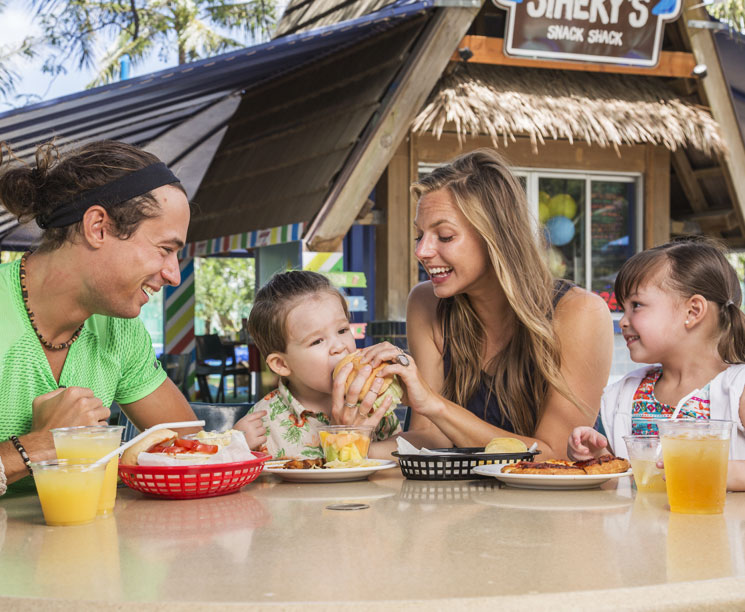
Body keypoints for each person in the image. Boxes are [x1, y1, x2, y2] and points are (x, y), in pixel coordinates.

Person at [361, 148, 614, 459]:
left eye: (444, 236)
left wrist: (434, 403)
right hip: (465, 502)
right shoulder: (426, 303)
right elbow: (431, 438)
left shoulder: (579, 313)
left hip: (552, 505)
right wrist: (351, 452)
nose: (422, 251)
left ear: (495, 236)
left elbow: (554, 456)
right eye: (419, 236)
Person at [0, 139, 201, 494]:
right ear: (98, 227)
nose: (174, 275)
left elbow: (194, 450)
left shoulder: (122, 331)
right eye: (165, 250)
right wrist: (40, 445)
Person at [567, 238, 745, 490]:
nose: (624, 321)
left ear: (692, 311)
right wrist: (596, 460)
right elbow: (617, 490)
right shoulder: (623, 396)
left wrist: (719, 472)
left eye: (636, 306)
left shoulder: (738, 390)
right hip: (641, 528)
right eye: (623, 308)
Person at [238, 270, 401, 458]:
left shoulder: (371, 400)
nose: (339, 346)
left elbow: (403, 452)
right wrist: (236, 449)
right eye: (317, 341)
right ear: (281, 364)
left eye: (342, 330)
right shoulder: (262, 425)